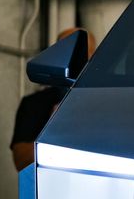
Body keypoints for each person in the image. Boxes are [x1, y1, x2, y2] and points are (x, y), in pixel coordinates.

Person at [10, 27, 96, 171]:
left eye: (82, 53)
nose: (75, 60)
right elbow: (21, 162)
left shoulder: (108, 101)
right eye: (67, 51)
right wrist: (54, 132)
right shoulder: (35, 103)